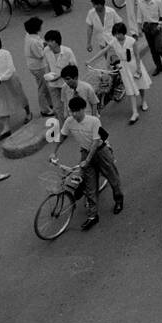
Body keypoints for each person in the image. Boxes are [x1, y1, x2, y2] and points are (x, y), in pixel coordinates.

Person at [50, 95, 123, 230]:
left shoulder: (94, 121)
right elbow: (63, 136)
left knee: (113, 178)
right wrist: (54, 152)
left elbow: (95, 142)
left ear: (83, 109)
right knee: (90, 187)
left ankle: (119, 200)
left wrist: (87, 161)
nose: (74, 114)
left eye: (77, 111)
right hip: (85, 152)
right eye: (72, 111)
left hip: (101, 152)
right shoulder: (69, 121)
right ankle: (93, 216)